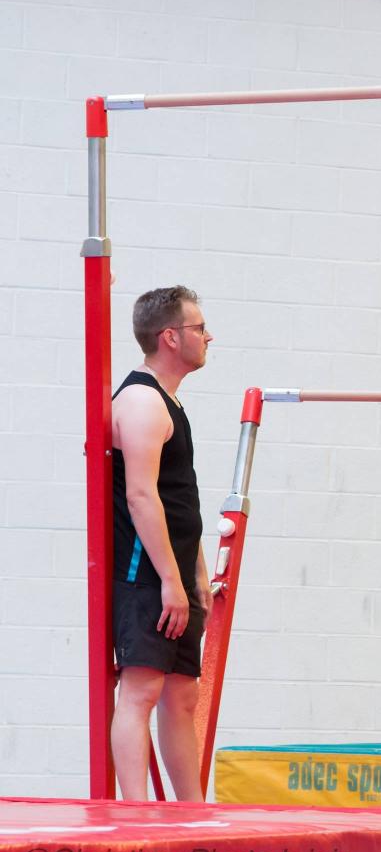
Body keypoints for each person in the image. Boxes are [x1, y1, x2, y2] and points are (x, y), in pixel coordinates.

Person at [110, 286, 214, 801]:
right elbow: (140, 496)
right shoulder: (141, 401)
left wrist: (196, 573)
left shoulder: (169, 402)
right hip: (145, 573)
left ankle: (191, 811)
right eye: (200, 328)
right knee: (142, 690)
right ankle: (134, 816)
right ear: (171, 337)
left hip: (173, 572)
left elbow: (178, 500)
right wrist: (171, 581)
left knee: (182, 695)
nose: (208, 336)